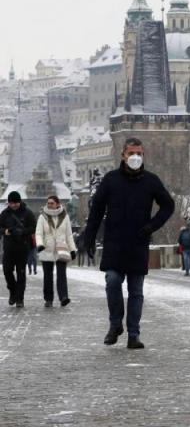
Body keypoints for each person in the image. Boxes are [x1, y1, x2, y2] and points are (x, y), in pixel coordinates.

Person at [83, 137, 175, 349]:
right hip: (114, 241)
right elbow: (96, 209)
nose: (135, 157)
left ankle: (134, 334)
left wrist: (152, 226)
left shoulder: (151, 181)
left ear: (143, 156)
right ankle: (115, 324)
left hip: (138, 241)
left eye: (139, 154)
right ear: (123, 155)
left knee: (136, 291)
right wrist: (89, 237)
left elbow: (168, 206)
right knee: (112, 281)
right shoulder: (111, 179)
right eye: (131, 153)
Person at [35, 195, 77, 307]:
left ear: (58, 204)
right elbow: (38, 233)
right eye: (48, 203)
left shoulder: (65, 217)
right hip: (47, 248)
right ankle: (48, 299)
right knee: (48, 276)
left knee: (61, 274)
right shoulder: (42, 217)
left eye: (52, 203)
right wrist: (40, 244)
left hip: (61, 248)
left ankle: (63, 297)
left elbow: (69, 235)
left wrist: (72, 249)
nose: (49, 205)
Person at [0, 192, 36, 308]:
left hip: (22, 248)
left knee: (21, 274)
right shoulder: (4, 214)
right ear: (9, 203)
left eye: (16, 202)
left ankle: (20, 298)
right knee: (7, 271)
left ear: (19, 202)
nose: (14, 205)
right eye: (11, 203)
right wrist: (5, 231)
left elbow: (33, 227)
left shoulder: (27, 213)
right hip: (9, 248)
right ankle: (13, 291)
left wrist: (23, 232)